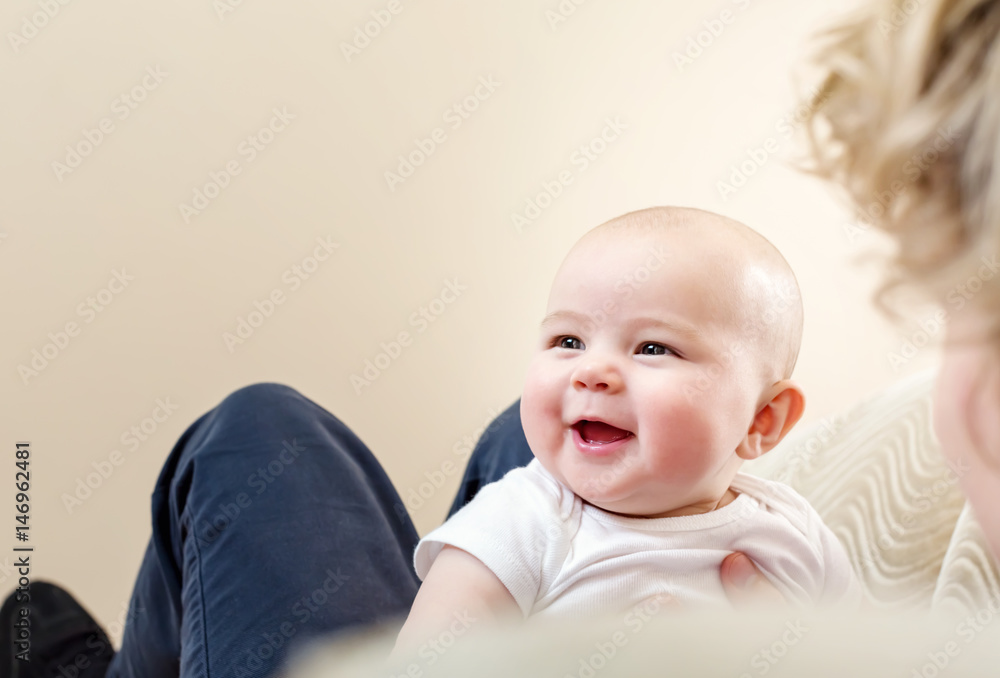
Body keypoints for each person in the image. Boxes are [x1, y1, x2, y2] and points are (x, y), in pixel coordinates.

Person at [390, 206, 860, 658]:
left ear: (763, 419)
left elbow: (870, 659)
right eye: (568, 341)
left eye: (653, 347)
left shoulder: (794, 533)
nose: (591, 370)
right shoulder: (516, 525)